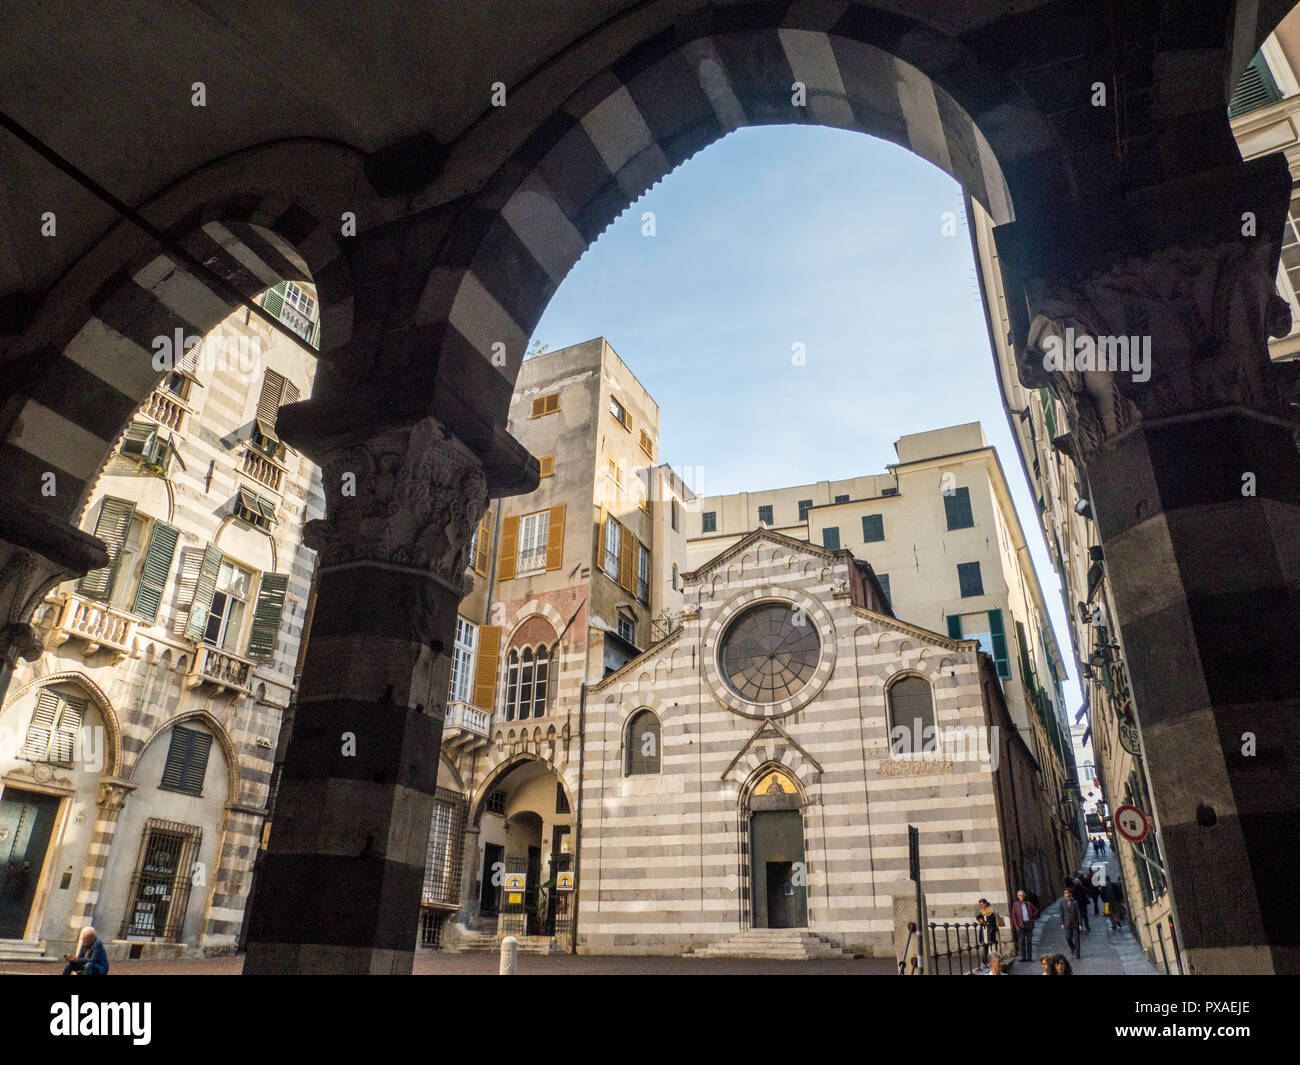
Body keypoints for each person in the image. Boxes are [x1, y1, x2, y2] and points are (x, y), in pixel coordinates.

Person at [1010, 889, 1039, 961]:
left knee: (1029, 941)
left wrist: (1032, 916)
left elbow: (1036, 910)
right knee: (1022, 941)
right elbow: (1014, 916)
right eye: (1020, 895)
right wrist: (1016, 926)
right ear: (1018, 896)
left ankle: (1029, 957)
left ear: (1024, 896)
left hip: (1028, 924)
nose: (1022, 897)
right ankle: (1023, 957)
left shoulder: (1028, 904)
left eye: (1023, 895)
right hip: (1021, 925)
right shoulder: (1015, 905)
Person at [975, 897, 1000, 963]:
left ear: (986, 903)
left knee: (993, 943)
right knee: (985, 944)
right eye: (980, 905)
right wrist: (981, 921)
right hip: (984, 929)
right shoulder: (981, 911)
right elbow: (979, 918)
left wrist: (991, 924)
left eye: (982, 904)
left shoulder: (991, 910)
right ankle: (985, 960)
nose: (981, 906)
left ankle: (995, 958)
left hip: (991, 929)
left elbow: (995, 919)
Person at [1060, 888, 1083, 960]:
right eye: (1065, 893)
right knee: (1068, 938)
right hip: (1067, 924)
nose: (1066, 894)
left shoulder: (1075, 902)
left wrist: (1080, 924)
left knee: (1077, 940)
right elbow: (1061, 914)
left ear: (1070, 894)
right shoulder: (1062, 903)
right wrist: (1062, 923)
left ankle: (1078, 953)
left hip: (1075, 923)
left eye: (1067, 893)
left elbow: (1079, 913)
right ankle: (1072, 948)